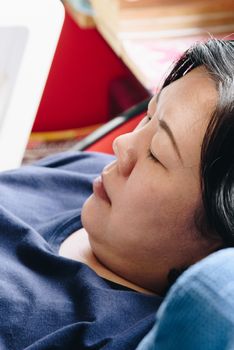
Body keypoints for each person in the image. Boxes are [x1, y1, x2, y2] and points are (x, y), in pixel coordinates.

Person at [0, 38, 233, 349]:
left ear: (215, 244)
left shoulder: (102, 336)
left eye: (155, 153)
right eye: (149, 117)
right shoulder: (91, 172)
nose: (121, 145)